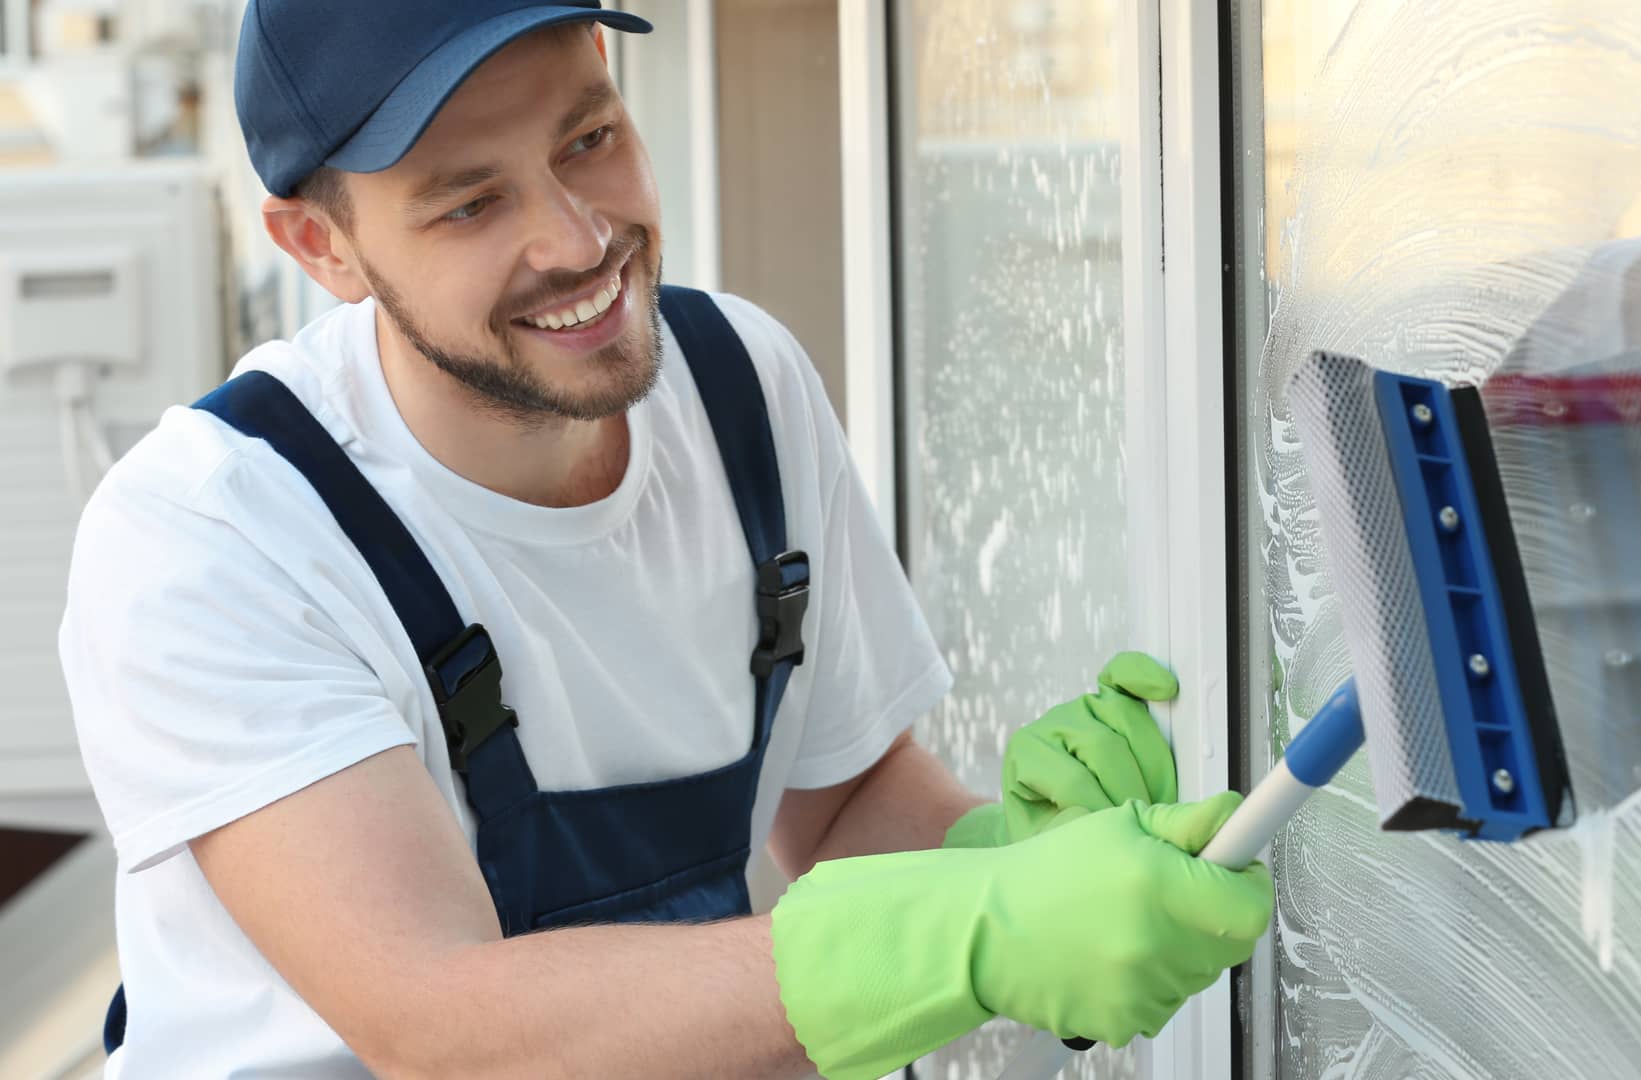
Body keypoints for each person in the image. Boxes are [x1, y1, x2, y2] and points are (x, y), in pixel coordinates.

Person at [57, 2, 1271, 1077]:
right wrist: (970, 931)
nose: (581, 241)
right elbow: (441, 1031)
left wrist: (1008, 854)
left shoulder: (741, 388)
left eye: (590, 138)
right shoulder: (219, 536)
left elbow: (840, 805)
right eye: (472, 202)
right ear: (322, 245)